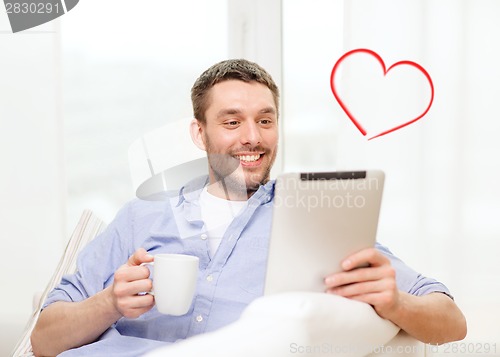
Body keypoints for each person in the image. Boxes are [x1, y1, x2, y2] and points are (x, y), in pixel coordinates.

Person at [31, 59, 466, 357]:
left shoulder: (314, 216)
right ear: (199, 133)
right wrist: (109, 303)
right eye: (232, 121)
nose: (252, 137)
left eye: (265, 119)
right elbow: (44, 339)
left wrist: (394, 303)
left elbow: (451, 321)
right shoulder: (139, 216)